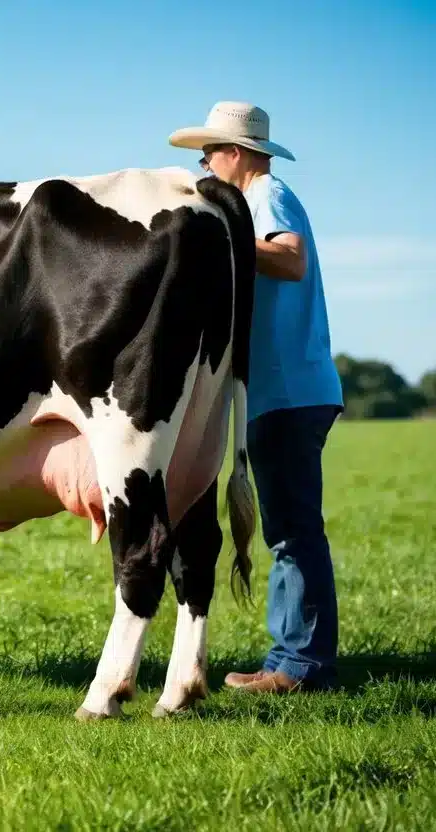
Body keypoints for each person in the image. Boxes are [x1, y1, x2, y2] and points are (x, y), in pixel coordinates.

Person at [168, 101, 344, 693]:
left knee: (293, 530)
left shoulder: (266, 194)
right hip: (287, 389)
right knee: (289, 527)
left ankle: (299, 667)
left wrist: (224, 238)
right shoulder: (261, 196)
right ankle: (291, 659)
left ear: (236, 155)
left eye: (209, 154)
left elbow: (289, 259)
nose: (204, 166)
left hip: (288, 391)